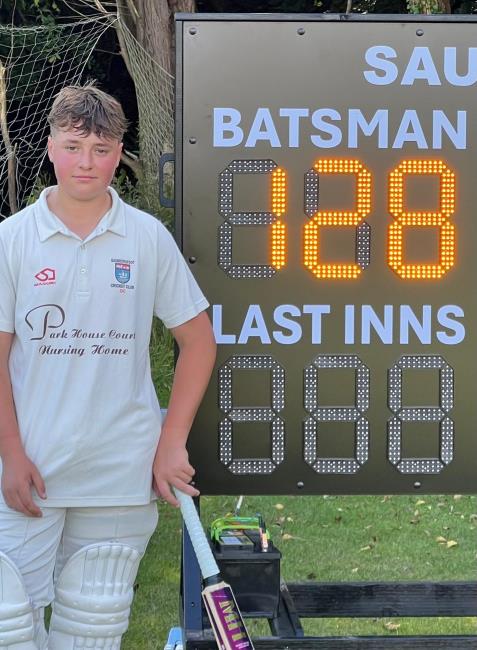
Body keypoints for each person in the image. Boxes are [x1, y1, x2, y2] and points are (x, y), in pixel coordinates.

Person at [0, 83, 216, 649]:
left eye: (100, 149)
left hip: (120, 470)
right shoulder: (13, 239)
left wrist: (171, 443)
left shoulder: (146, 237)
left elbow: (199, 341)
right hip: (29, 472)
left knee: (92, 629)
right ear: (49, 146)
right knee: (11, 627)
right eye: (73, 146)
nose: (85, 162)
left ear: (120, 153)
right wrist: (12, 454)